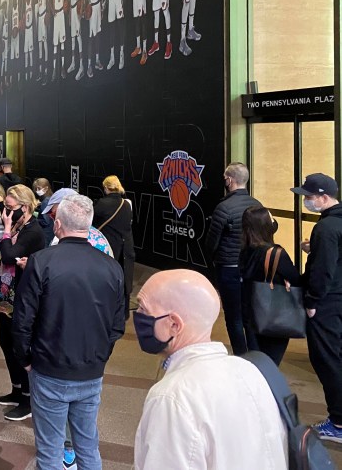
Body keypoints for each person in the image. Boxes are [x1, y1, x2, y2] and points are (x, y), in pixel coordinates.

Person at [12, 194, 125, 470]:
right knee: (88, 446)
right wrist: (99, 357)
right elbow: (117, 325)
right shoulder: (112, 267)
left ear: (58, 225)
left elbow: (23, 319)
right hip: (91, 371)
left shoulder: (41, 262)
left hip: (48, 369)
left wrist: (24, 358)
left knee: (50, 450)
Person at [132, 269, 287, 468]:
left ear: (174, 325)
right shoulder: (251, 372)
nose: (137, 316)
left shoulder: (172, 398)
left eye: (143, 309)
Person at [291, 173, 342, 443]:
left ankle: (338, 423)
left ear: (323, 197)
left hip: (327, 303)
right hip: (338, 298)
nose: (306, 201)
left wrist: (312, 301)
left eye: (309, 196)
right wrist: (316, 249)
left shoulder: (326, 228)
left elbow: (323, 271)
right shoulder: (335, 223)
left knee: (327, 359)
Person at [0, 185, 45, 422]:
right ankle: (16, 389)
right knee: (4, 340)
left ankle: (27, 397)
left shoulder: (33, 230)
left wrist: (5, 229)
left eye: (10, 208)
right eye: (5, 207)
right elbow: (4, 251)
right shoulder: (18, 226)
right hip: (6, 294)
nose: (6, 212)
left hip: (22, 296)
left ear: (24, 207)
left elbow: (9, 254)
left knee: (18, 345)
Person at [205, 162, 262, 355]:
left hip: (228, 268)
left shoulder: (224, 208)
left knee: (233, 316)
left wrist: (213, 258)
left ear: (229, 180)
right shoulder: (257, 204)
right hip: (251, 268)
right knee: (249, 314)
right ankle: (255, 355)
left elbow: (212, 241)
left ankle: (240, 356)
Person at [238, 206, 300, 365]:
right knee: (271, 362)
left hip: (251, 315)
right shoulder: (276, 254)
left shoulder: (245, 251)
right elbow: (296, 279)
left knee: (257, 360)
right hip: (274, 317)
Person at [93, 176, 135, 318]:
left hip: (109, 247)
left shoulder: (102, 204)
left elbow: (93, 222)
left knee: (109, 279)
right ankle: (124, 313)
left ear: (106, 188)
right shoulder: (126, 204)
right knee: (125, 279)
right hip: (126, 247)